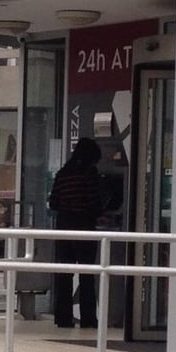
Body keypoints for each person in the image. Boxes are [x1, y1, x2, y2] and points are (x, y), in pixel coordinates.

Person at [48, 137, 104, 329]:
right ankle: (88, 318)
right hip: (83, 225)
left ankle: (63, 317)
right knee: (87, 273)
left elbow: (53, 202)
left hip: (63, 226)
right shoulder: (89, 173)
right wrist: (99, 214)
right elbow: (94, 202)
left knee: (64, 273)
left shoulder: (63, 173)